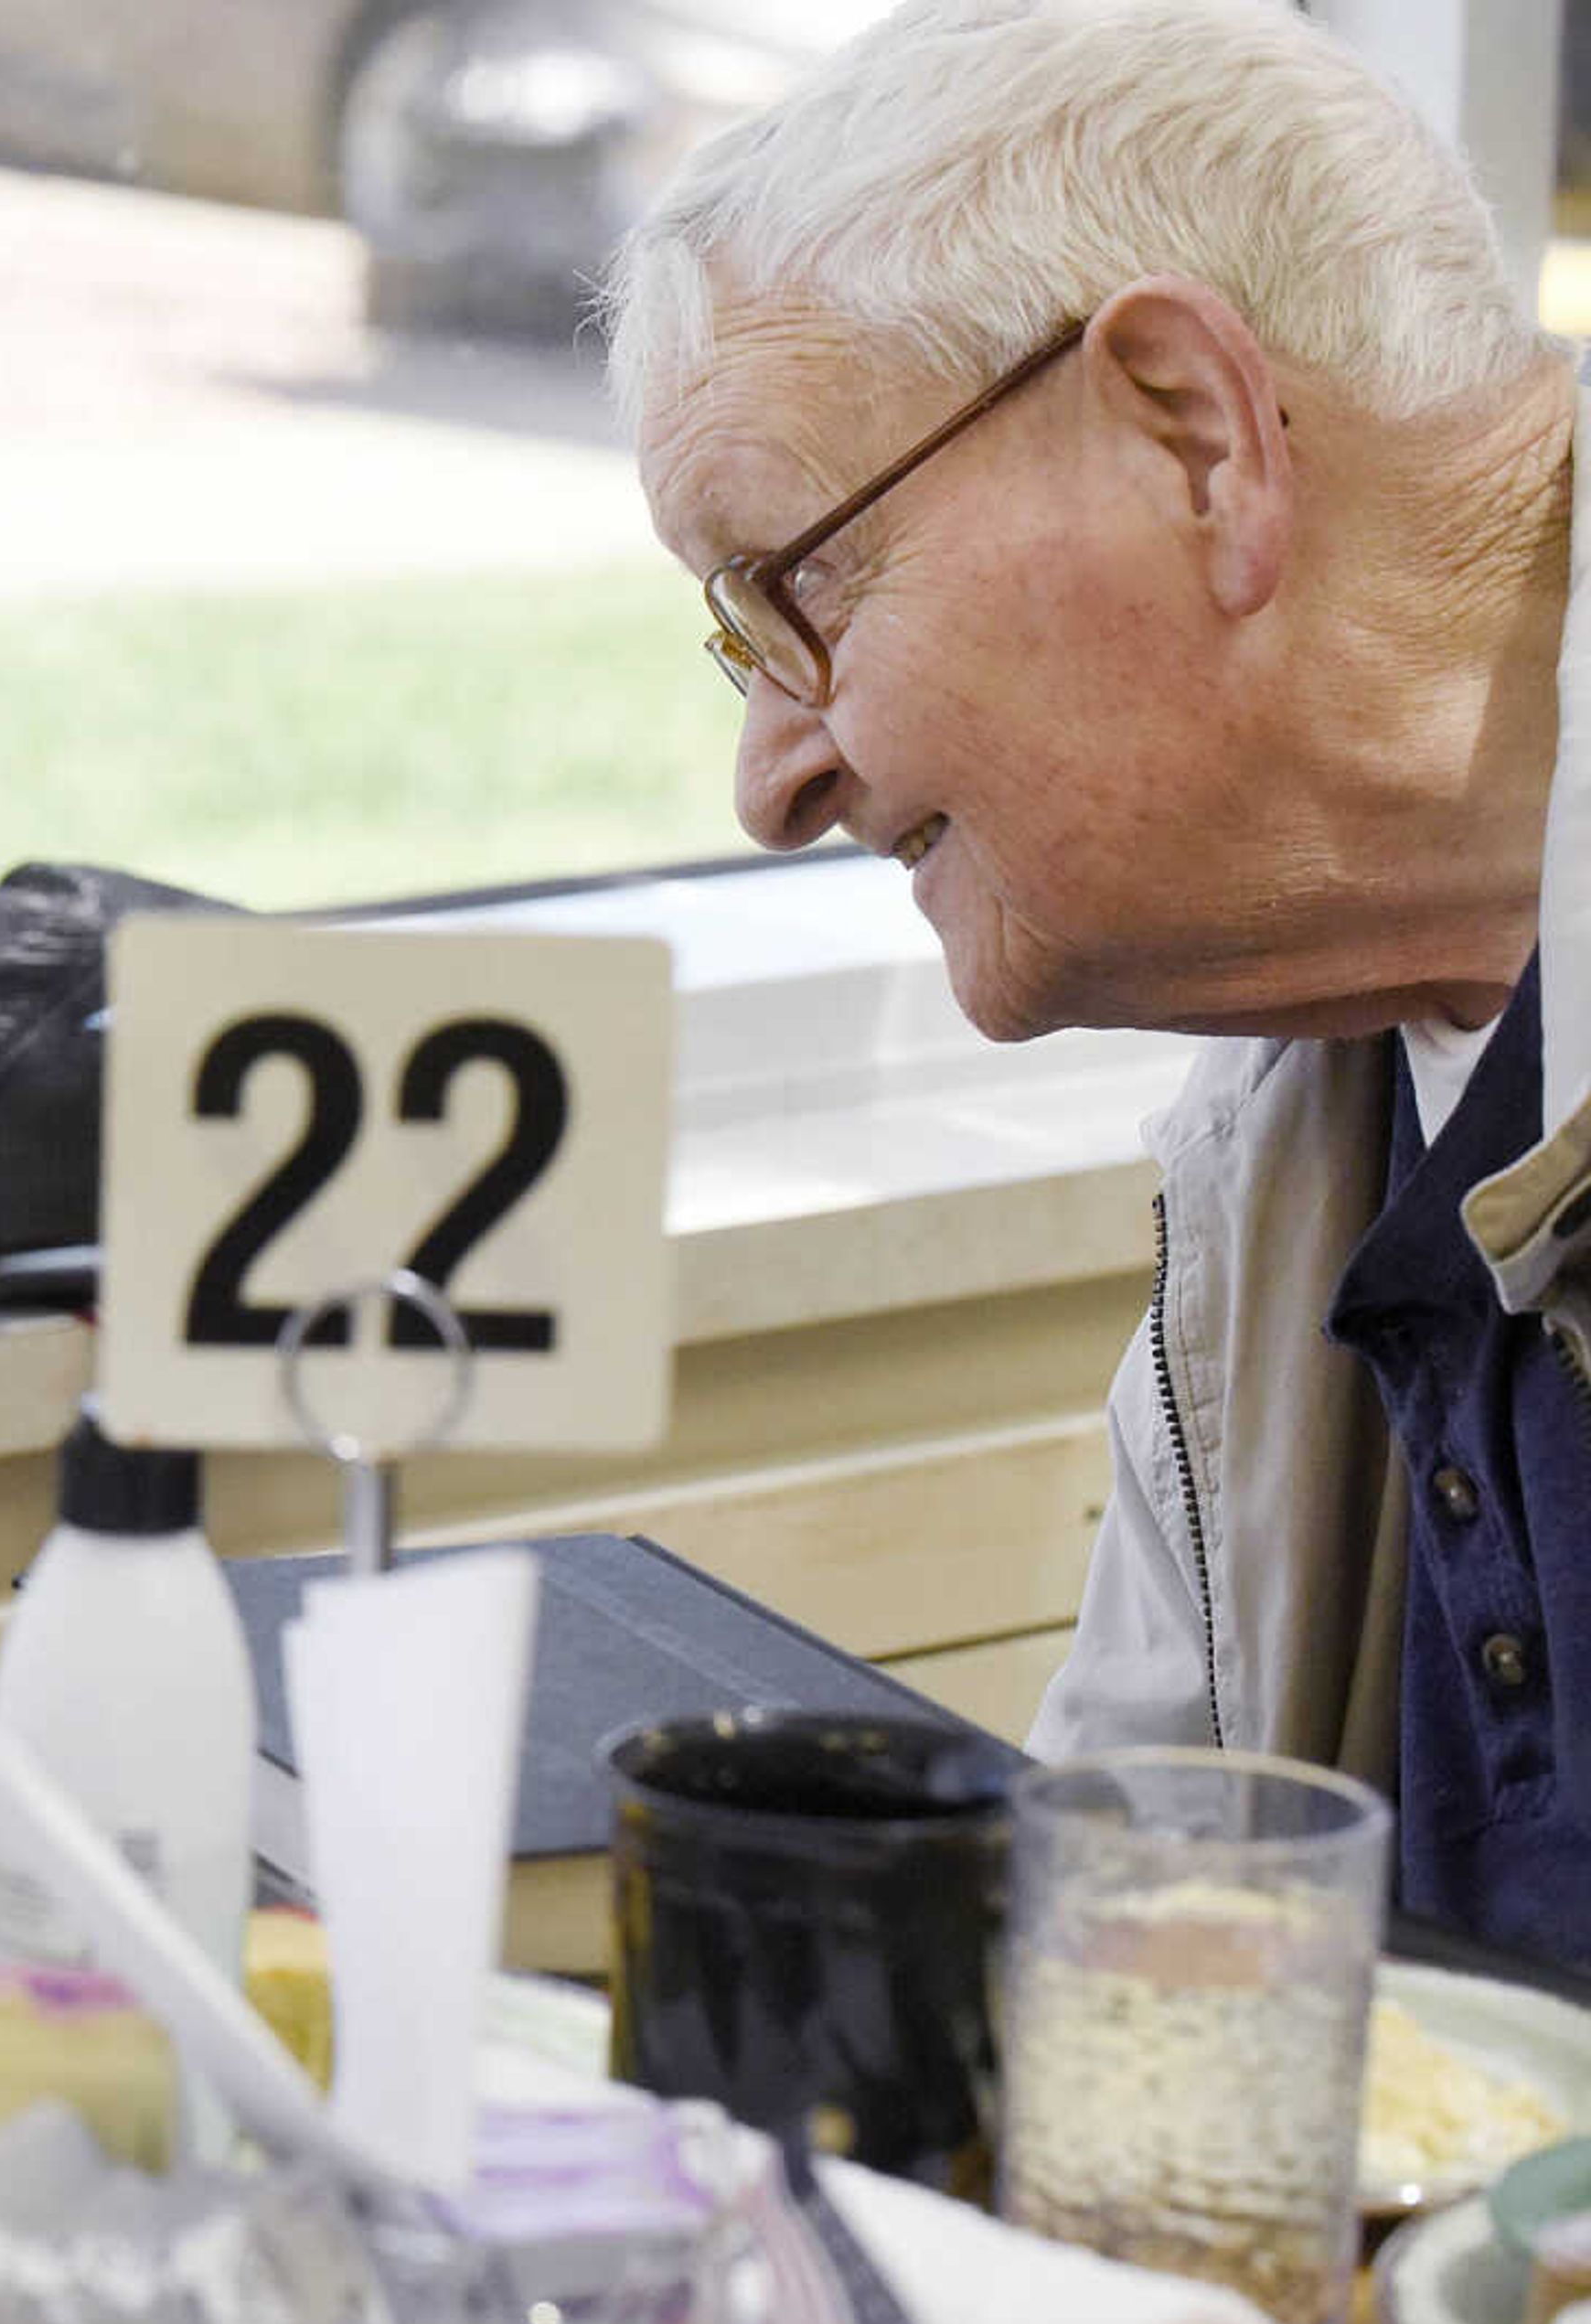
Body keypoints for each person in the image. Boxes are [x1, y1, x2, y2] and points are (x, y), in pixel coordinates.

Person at [605, 0, 1591, 1960]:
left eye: (794, 593)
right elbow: (1132, 1949)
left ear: (1197, 439)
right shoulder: (1282, 1142)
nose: (771, 782)